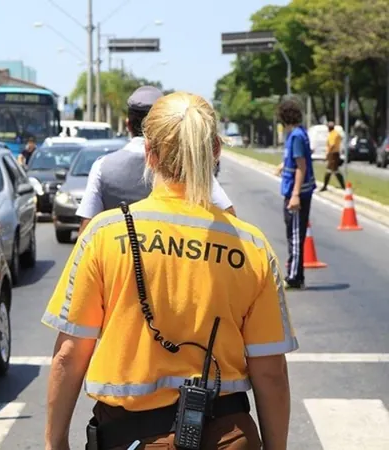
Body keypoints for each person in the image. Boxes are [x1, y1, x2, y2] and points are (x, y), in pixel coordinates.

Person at [42, 92, 295, 450]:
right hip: (227, 438)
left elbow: (69, 355)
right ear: (217, 151)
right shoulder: (250, 246)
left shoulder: (104, 235)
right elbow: (270, 372)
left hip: (127, 437)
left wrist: (55, 443)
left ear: (149, 153)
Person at [76, 86, 236, 235]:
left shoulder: (102, 167)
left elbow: (86, 230)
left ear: (128, 125)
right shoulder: (189, 165)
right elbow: (229, 218)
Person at [274, 99, 315, 290]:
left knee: (296, 236)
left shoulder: (296, 136)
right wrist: (283, 166)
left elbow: (302, 166)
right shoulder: (297, 134)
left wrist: (296, 195)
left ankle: (295, 277)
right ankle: (295, 273)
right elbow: (297, 160)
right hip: (292, 191)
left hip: (296, 194)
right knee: (292, 233)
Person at [320, 121, 346, 191]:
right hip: (336, 153)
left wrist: (328, 154)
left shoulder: (332, 134)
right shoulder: (336, 133)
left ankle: (325, 186)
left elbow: (332, 144)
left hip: (333, 154)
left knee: (330, 170)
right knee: (335, 170)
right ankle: (343, 186)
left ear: (329, 128)